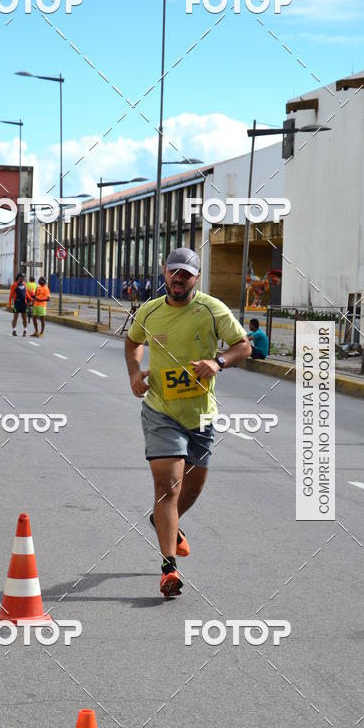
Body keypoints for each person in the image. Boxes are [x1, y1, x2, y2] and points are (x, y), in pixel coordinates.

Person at [125, 247, 251, 598]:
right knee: (169, 485)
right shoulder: (150, 311)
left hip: (201, 413)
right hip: (160, 410)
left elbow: (244, 346)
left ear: (196, 277)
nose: (178, 279)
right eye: (173, 272)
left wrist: (219, 362)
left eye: (186, 274)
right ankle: (168, 567)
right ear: (163, 271)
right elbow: (133, 341)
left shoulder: (212, 310)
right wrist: (135, 372)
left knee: (192, 489)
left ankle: (165, 521)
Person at [8, 272, 31, 337]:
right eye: (21, 277)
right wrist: (9, 304)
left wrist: (32, 299)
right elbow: (11, 295)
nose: (22, 278)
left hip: (24, 303)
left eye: (23, 277)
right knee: (15, 317)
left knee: (24, 318)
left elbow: (26, 294)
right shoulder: (14, 285)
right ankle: (14, 330)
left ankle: (25, 330)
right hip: (17, 303)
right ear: (18, 277)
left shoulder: (24, 284)